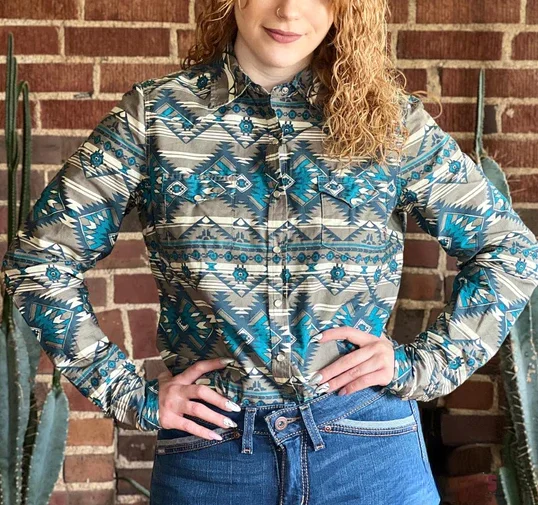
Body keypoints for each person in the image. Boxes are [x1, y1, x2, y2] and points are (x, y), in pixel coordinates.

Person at [2, 0, 538, 503]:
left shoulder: (391, 123)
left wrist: (423, 365)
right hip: (213, 459)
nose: (288, 11)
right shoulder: (155, 116)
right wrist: (127, 393)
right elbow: (40, 259)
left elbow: (508, 251)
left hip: (367, 452)